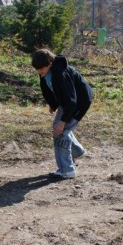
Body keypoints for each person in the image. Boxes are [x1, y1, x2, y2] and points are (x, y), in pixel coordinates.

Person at [31, 48, 93, 179]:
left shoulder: (61, 73)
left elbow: (72, 100)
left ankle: (67, 170)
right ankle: (77, 151)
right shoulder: (45, 70)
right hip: (67, 103)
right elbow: (47, 89)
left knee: (60, 133)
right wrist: (52, 104)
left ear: (50, 63)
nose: (39, 72)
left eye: (41, 69)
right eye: (37, 69)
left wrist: (63, 121)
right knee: (59, 130)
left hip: (79, 103)